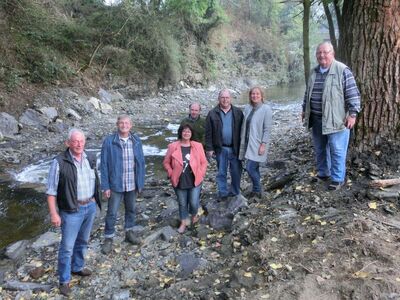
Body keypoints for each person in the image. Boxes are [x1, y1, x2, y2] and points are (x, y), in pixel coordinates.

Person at [46, 128, 101, 297]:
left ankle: (77, 268)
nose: (78, 144)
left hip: (90, 206)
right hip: (71, 210)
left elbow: (96, 178)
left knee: (83, 240)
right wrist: (54, 214)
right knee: (67, 247)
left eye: (81, 141)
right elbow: (51, 191)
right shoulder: (59, 162)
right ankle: (64, 280)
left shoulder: (90, 157)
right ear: (68, 143)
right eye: (75, 141)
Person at [302, 41, 361, 190]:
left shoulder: (342, 70)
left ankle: (337, 178)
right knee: (320, 148)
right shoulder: (314, 72)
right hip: (316, 119)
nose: (322, 55)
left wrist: (352, 114)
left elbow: (353, 94)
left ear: (332, 54)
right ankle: (323, 173)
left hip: (337, 119)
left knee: (337, 149)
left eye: (325, 52)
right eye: (319, 53)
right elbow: (307, 93)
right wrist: (304, 109)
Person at [100, 115, 145, 254]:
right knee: (112, 213)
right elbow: (104, 165)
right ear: (117, 124)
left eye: (127, 123)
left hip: (132, 183)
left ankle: (129, 232)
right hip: (115, 184)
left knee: (131, 210)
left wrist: (140, 182)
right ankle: (108, 238)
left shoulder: (136, 141)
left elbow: (141, 163)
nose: (124, 125)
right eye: (121, 123)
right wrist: (105, 186)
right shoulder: (109, 141)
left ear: (131, 125)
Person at [163, 124, 207, 233]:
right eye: (184, 131)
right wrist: (170, 172)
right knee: (182, 203)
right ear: (180, 133)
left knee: (193, 201)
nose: (186, 133)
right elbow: (166, 162)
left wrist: (201, 173)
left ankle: (193, 216)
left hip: (195, 179)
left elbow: (204, 162)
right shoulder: (173, 146)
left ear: (191, 134)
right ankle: (183, 222)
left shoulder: (198, 146)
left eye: (188, 131)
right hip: (179, 179)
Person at [205, 89, 244, 199]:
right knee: (221, 172)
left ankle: (235, 192)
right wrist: (209, 148)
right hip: (220, 148)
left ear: (230, 99)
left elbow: (243, 130)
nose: (225, 100)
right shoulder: (212, 113)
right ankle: (223, 193)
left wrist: (244, 147)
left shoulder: (238, 112)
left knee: (236, 171)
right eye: (222, 97)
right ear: (219, 99)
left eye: (227, 97)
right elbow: (208, 132)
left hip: (235, 148)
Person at [239, 87, 273, 198]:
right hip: (248, 143)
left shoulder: (266, 109)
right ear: (250, 96)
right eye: (253, 94)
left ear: (262, 96)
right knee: (255, 168)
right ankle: (257, 189)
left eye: (257, 94)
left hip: (258, 144)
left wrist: (263, 144)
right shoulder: (248, 108)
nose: (255, 96)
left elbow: (267, 129)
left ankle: (257, 189)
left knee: (250, 168)